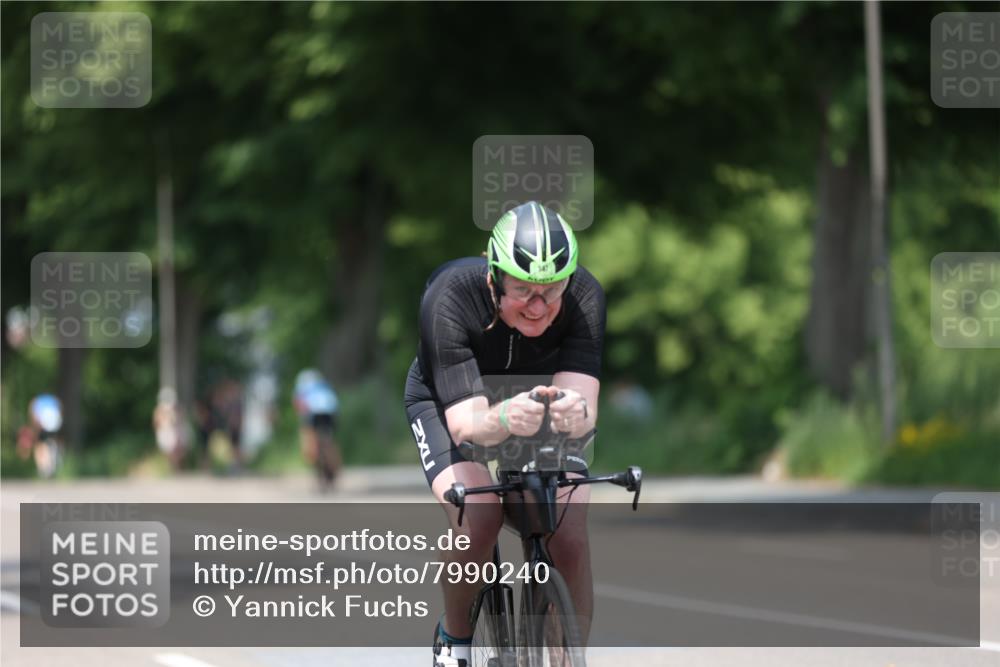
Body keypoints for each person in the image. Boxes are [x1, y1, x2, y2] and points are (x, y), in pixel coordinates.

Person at [404, 201, 605, 667]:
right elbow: (468, 425)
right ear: (493, 276)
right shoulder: (450, 297)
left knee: (569, 528)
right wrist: (505, 417)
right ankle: (454, 641)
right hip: (454, 401)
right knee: (478, 513)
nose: (538, 307)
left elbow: (582, 403)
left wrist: (576, 415)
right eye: (523, 291)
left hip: (536, 400)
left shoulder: (585, 297)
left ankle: (568, 659)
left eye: (552, 291)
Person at [293, 368, 342, 486]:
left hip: (314, 414)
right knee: (328, 439)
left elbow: (299, 405)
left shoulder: (302, 386)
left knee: (309, 439)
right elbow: (334, 402)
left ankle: (315, 457)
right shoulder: (324, 385)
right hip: (330, 413)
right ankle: (334, 464)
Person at [20, 393, 64, 478]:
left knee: (39, 445)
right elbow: (60, 407)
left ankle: (44, 467)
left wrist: (34, 428)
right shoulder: (53, 399)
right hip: (56, 421)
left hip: (44, 422)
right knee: (53, 439)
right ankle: (56, 450)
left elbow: (34, 415)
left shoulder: (37, 401)